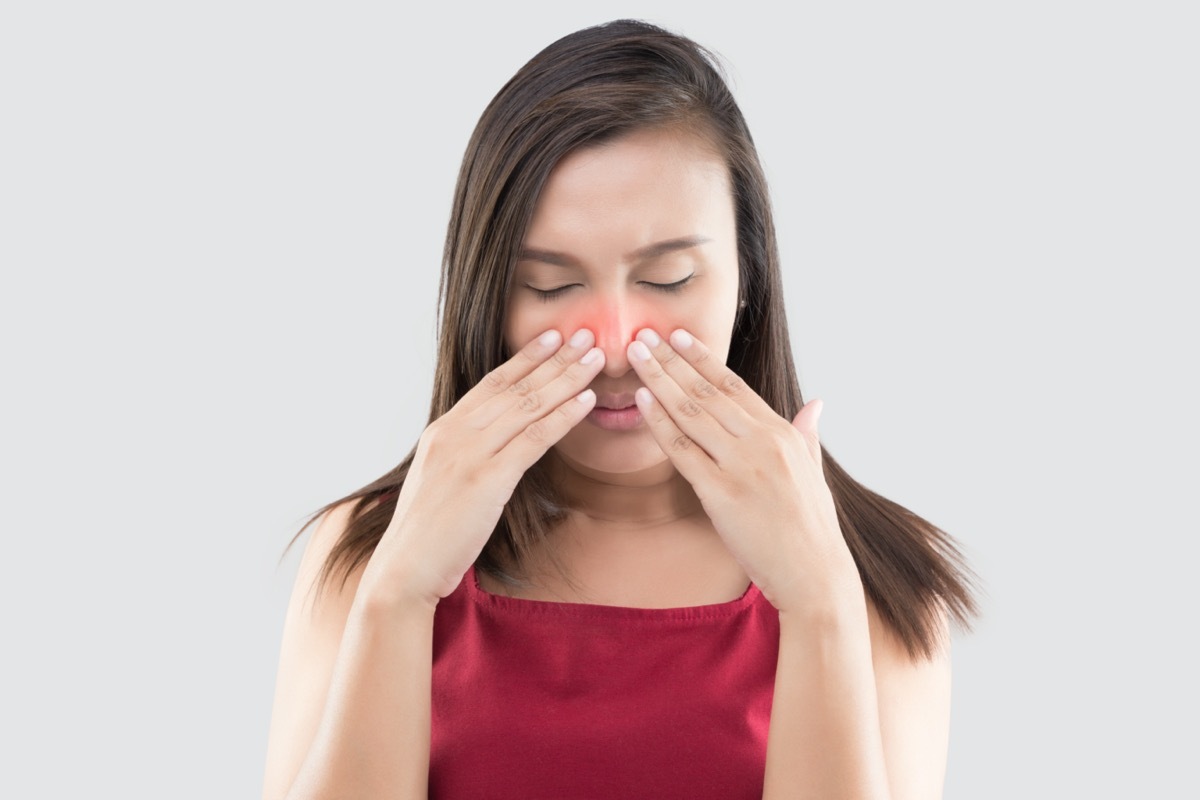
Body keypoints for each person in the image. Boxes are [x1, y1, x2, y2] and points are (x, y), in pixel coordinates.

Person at [262, 18, 978, 800]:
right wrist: (398, 594)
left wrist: (820, 604)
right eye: (549, 286)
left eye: (669, 280)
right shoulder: (364, 554)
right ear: (485, 299)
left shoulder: (884, 583)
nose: (612, 346)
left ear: (749, 282)